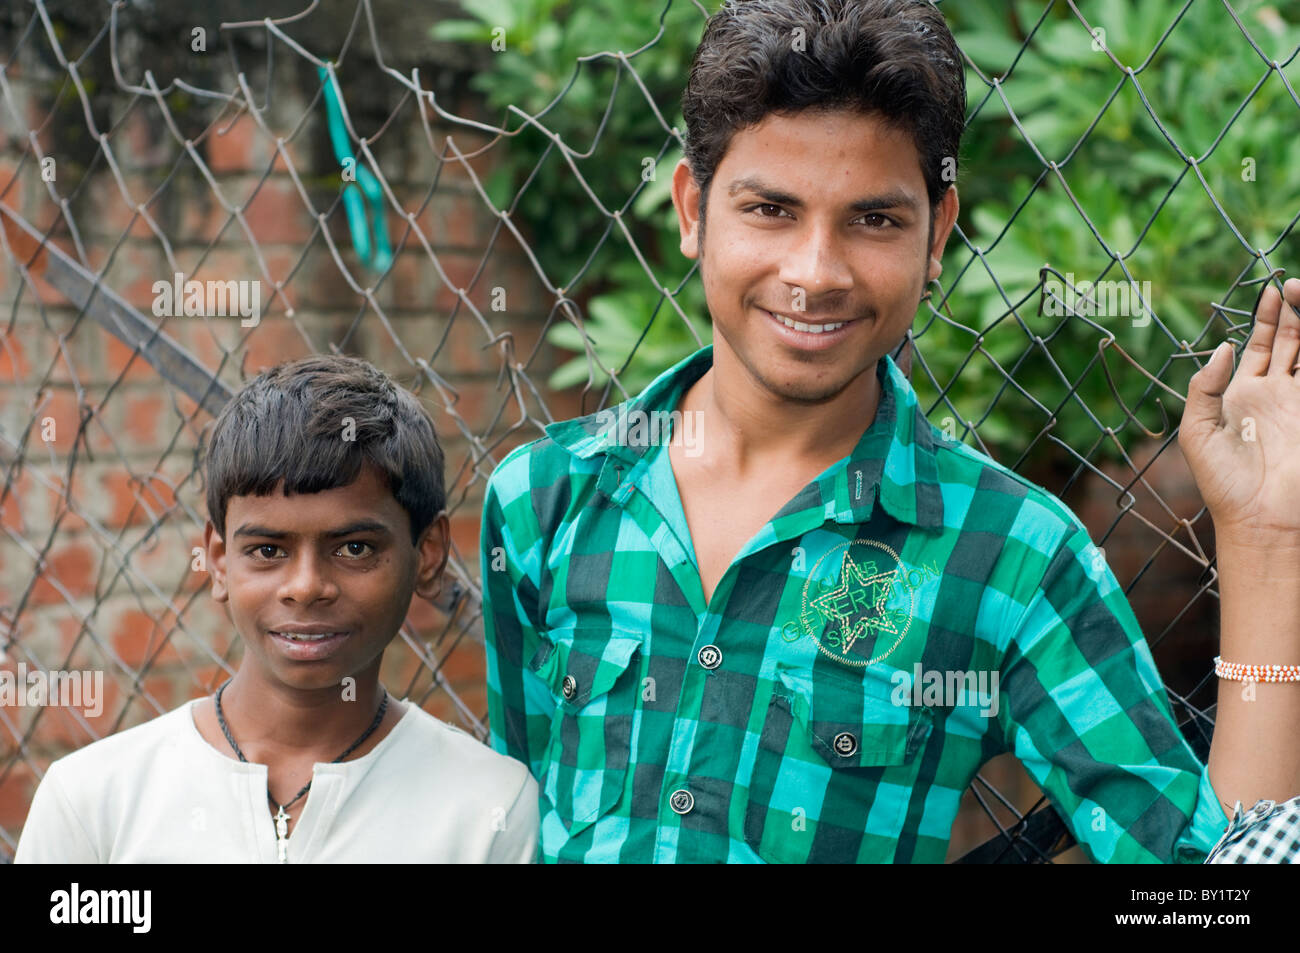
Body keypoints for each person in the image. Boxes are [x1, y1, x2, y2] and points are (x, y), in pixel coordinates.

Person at [479, 0, 1300, 863]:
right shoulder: (545, 497)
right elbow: (514, 824)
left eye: (874, 220)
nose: (815, 272)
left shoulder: (1008, 554)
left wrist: (1267, 541)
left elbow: (1206, 887)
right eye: (770, 210)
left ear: (938, 234)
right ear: (693, 209)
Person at [16, 355, 538, 863]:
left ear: (427, 554)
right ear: (219, 561)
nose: (306, 587)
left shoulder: (489, 809)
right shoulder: (93, 802)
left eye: (354, 548)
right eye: (268, 551)